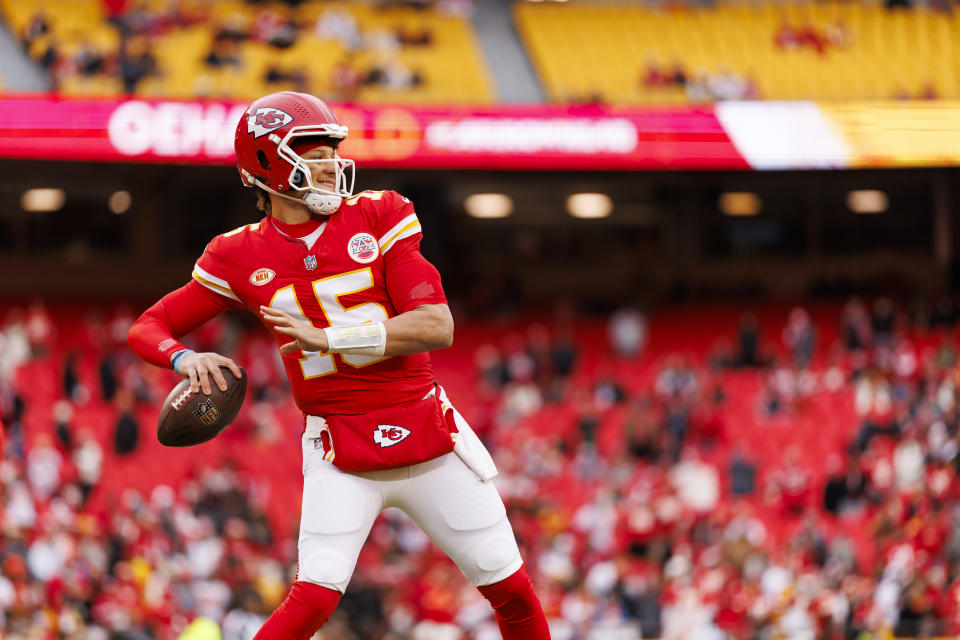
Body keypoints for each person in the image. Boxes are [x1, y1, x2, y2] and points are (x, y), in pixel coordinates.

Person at [127, 91, 550, 640]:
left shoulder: (380, 215)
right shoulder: (237, 254)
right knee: (311, 603)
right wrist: (185, 357)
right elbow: (146, 327)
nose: (330, 163)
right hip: (338, 446)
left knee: (512, 590)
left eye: (331, 150)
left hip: (425, 429)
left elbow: (436, 325)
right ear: (267, 162)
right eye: (312, 149)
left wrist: (330, 338)